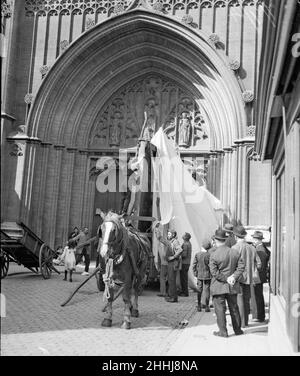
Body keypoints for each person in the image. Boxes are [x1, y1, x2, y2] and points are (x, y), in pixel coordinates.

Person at [209, 229, 245, 338]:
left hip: (218, 286)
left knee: (220, 310)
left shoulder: (213, 254)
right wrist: (233, 277)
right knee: (234, 308)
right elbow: (241, 266)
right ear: (225, 239)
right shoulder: (234, 252)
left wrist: (226, 279)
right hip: (232, 285)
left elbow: (214, 272)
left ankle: (223, 332)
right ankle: (237, 330)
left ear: (215, 240)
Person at [232, 226, 262, 328]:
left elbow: (232, 265)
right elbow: (259, 264)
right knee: (246, 300)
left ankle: (240, 323)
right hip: (249, 278)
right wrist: (252, 270)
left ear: (236, 236)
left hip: (238, 278)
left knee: (239, 300)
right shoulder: (252, 248)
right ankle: (246, 322)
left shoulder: (235, 248)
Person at [155, 226, 182, 303]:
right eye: (168, 233)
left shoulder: (175, 242)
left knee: (172, 280)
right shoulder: (170, 242)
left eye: (169, 234)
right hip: (170, 263)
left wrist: (173, 257)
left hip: (173, 263)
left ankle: (173, 297)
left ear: (173, 235)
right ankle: (171, 296)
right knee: (170, 280)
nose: (168, 235)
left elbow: (180, 250)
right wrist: (157, 232)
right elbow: (161, 239)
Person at [251, 231, 270, 323]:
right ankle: (259, 315)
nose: (253, 240)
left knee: (257, 296)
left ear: (257, 240)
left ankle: (259, 315)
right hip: (260, 276)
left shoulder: (260, 249)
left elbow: (260, 266)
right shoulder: (262, 248)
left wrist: (256, 275)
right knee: (258, 295)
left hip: (258, 276)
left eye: (254, 239)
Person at [193, 240, 212, 312]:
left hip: (199, 274)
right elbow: (211, 265)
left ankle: (199, 305)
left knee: (199, 290)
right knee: (207, 290)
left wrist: (195, 273)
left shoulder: (197, 254)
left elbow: (194, 265)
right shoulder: (209, 255)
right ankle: (207, 306)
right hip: (207, 275)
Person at [179, 232, 192, 297]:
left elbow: (184, 254)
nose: (182, 235)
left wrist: (178, 253)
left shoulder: (185, 244)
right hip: (187, 262)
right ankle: (184, 291)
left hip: (184, 263)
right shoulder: (189, 243)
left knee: (183, 278)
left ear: (185, 237)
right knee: (185, 278)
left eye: (183, 235)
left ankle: (184, 292)